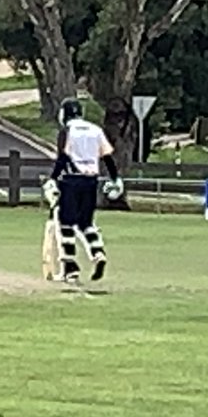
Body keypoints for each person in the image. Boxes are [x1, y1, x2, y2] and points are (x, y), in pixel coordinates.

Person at [42, 98, 124, 284]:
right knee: (86, 222)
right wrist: (115, 178)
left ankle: (70, 267)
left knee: (65, 223)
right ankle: (98, 252)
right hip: (91, 182)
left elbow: (63, 157)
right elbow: (107, 157)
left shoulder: (67, 131)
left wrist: (53, 179)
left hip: (71, 180)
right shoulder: (95, 130)